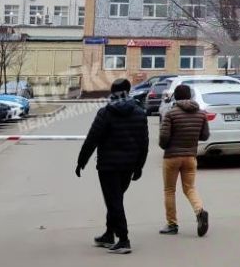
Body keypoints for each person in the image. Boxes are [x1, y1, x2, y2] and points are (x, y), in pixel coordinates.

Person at [77, 79, 149, 254]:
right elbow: (144, 143)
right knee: (115, 199)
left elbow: (92, 138)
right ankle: (109, 234)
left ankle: (123, 240)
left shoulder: (105, 113)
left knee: (114, 200)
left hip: (108, 166)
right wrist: (139, 166)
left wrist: (81, 161)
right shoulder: (139, 112)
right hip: (128, 165)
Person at [159, 84, 210, 237]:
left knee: (169, 190)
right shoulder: (201, 114)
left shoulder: (170, 114)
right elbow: (205, 136)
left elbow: (164, 138)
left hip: (172, 157)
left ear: (175, 97)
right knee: (190, 188)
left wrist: (165, 146)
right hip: (190, 157)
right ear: (190, 96)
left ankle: (172, 224)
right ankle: (200, 211)